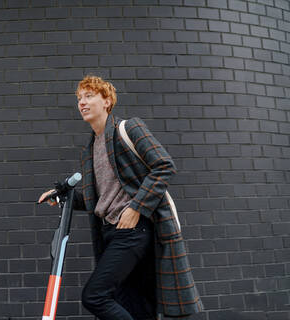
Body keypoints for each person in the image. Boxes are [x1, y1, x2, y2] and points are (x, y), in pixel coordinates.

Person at [38, 76, 202, 320]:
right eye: (79, 98)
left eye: (89, 96)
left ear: (106, 101)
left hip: (133, 231)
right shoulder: (90, 149)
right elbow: (102, 199)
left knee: (95, 296)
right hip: (111, 233)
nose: (82, 102)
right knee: (136, 304)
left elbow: (164, 166)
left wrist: (136, 208)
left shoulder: (129, 129)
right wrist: (65, 198)